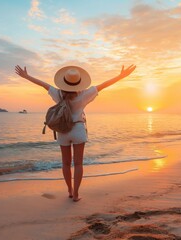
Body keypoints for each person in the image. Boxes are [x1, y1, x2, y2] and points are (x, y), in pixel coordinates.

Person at [15, 64, 136, 202]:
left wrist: (26, 76)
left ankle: (70, 190)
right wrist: (121, 76)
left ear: (64, 81)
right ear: (79, 82)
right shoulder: (84, 94)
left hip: (63, 131)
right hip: (78, 130)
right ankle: (76, 194)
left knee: (66, 163)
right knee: (78, 164)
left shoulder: (58, 94)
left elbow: (43, 84)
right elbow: (104, 85)